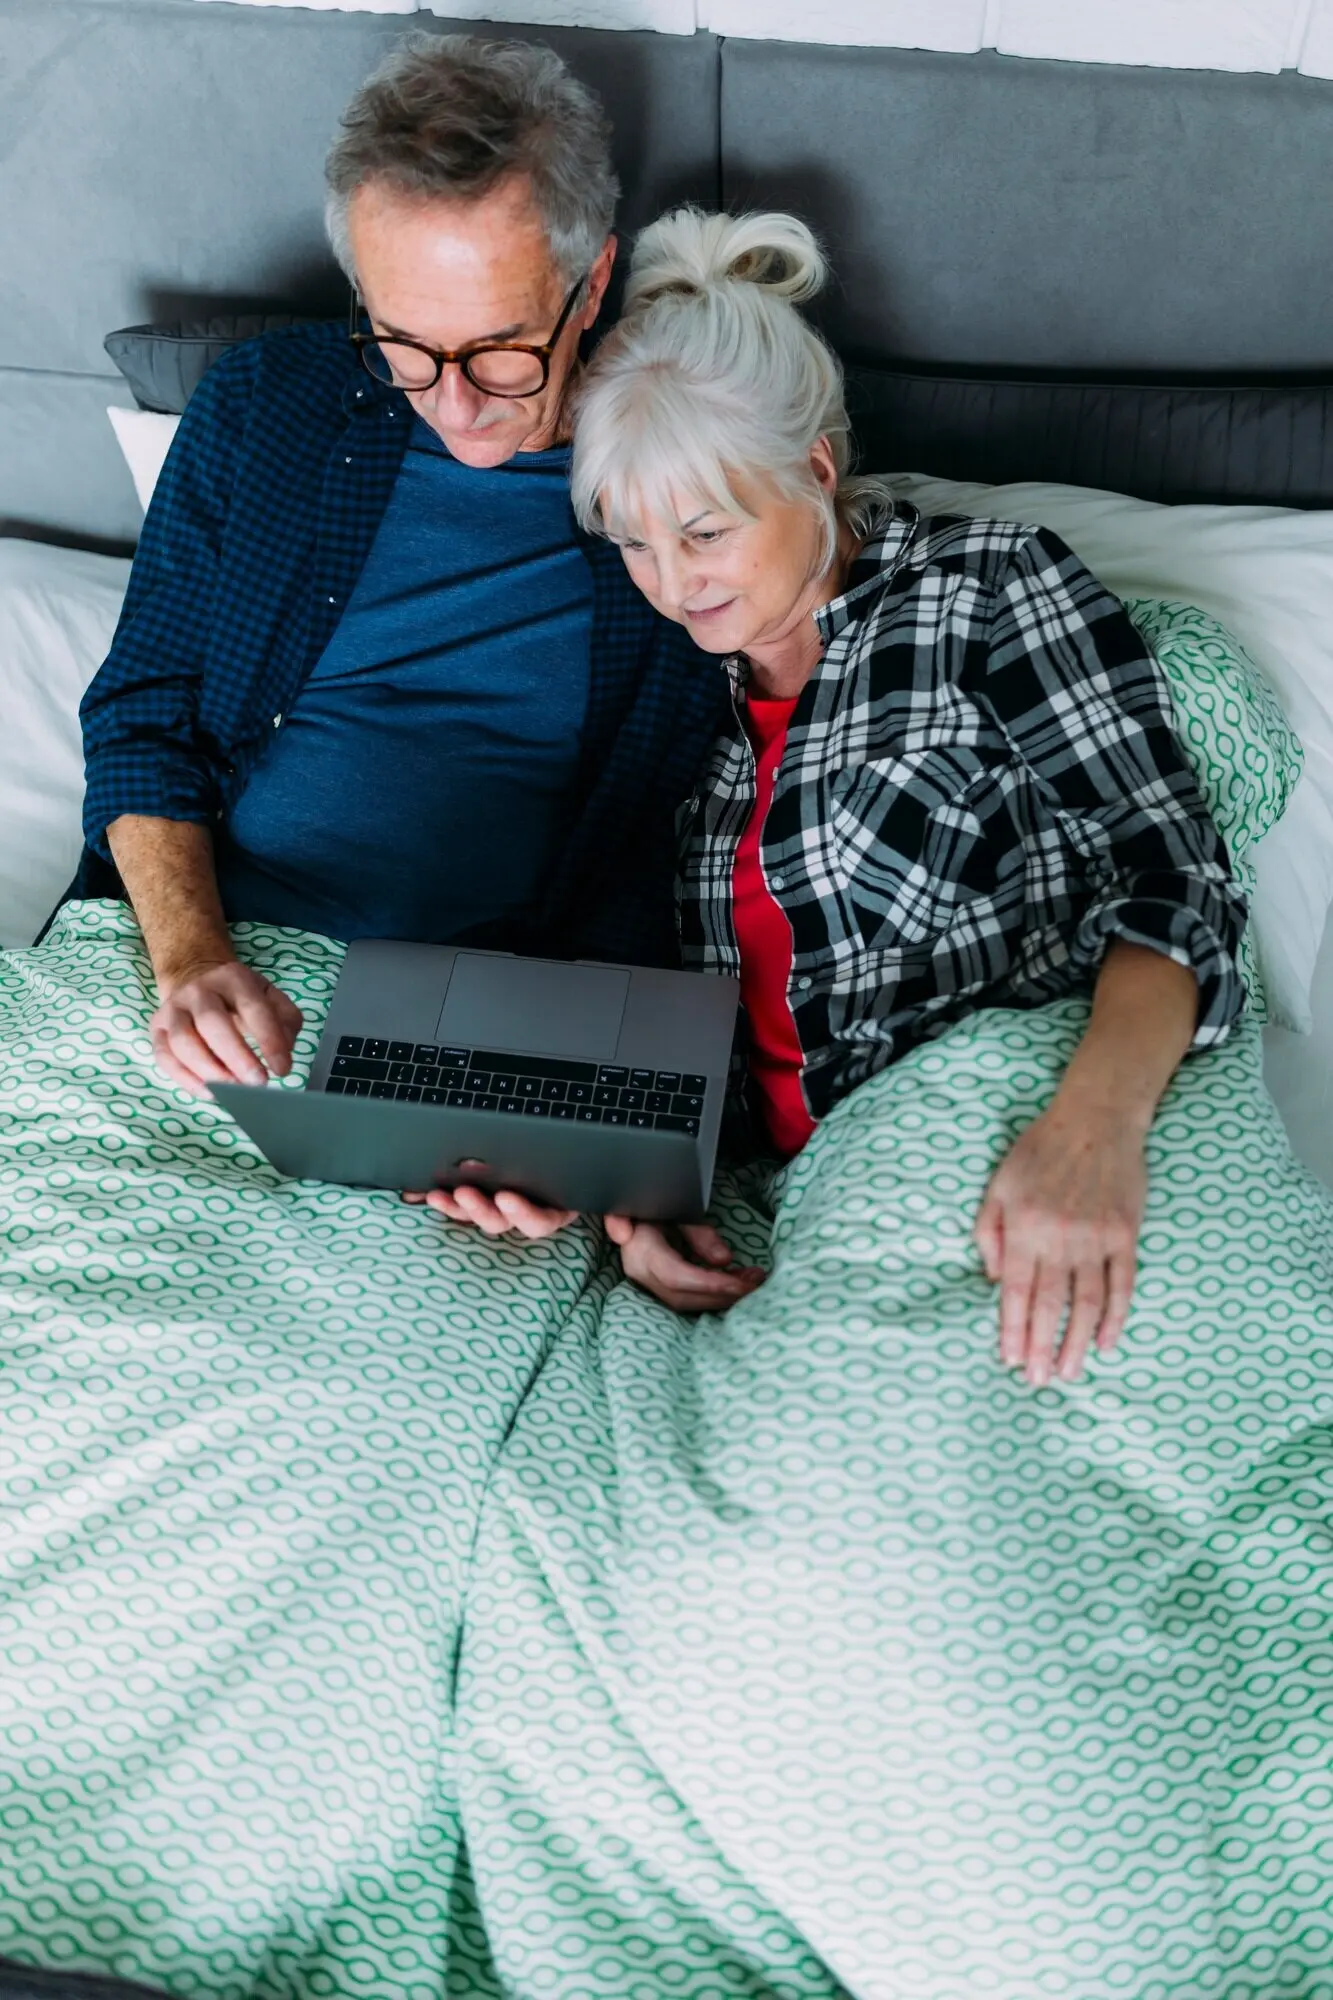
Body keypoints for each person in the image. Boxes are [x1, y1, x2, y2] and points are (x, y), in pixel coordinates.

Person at [444, 205, 1244, 1389]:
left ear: (814, 470)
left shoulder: (986, 590)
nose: (673, 584)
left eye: (705, 531)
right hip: (789, 1198)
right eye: (635, 544)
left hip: (1014, 1125)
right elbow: (700, 1009)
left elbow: (1174, 882)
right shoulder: (679, 705)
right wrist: (647, 1191)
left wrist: (1091, 1133)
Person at [76, 35, 725, 1102]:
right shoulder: (258, 410)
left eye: (502, 348)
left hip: (490, 1009)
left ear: (594, 276)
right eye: (404, 343)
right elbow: (138, 715)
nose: (454, 400)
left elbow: (671, 838)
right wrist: (191, 959)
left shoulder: (685, 480)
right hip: (192, 953)